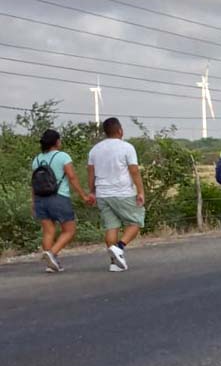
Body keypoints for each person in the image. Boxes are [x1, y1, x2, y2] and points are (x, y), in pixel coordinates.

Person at [30, 129, 94, 272]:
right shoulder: (63, 156)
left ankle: (51, 264)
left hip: (41, 199)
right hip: (58, 197)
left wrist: (33, 202)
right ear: (56, 141)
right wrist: (83, 195)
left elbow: (33, 183)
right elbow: (71, 177)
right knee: (69, 230)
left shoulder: (37, 159)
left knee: (48, 231)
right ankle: (52, 253)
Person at [87, 117, 145, 272]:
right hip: (123, 192)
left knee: (111, 227)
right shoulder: (127, 147)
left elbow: (91, 174)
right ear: (120, 130)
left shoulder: (95, 150)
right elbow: (134, 170)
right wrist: (140, 191)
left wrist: (92, 192)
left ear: (105, 132)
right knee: (136, 221)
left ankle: (114, 263)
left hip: (102, 193)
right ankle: (119, 247)